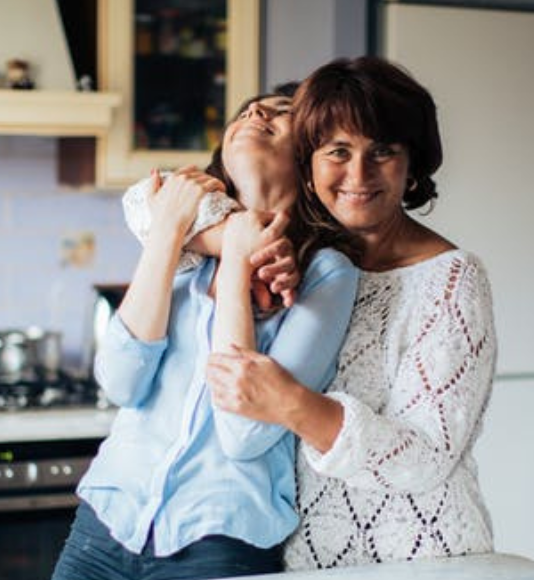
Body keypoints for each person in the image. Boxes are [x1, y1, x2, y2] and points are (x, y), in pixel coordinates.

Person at [51, 85, 360, 580]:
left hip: (220, 544)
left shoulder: (325, 275)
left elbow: (245, 433)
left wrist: (239, 257)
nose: (257, 111)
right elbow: (121, 382)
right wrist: (169, 233)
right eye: (250, 109)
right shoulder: (188, 249)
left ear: (309, 163)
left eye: (281, 114)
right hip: (105, 525)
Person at [202, 56, 498, 569]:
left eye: (382, 151)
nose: (358, 174)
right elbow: (149, 206)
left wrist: (292, 403)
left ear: (411, 166)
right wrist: (221, 239)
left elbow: (427, 457)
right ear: (308, 164)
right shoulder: (296, 255)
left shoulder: (453, 279)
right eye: (337, 151)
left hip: (425, 555)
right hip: (305, 557)